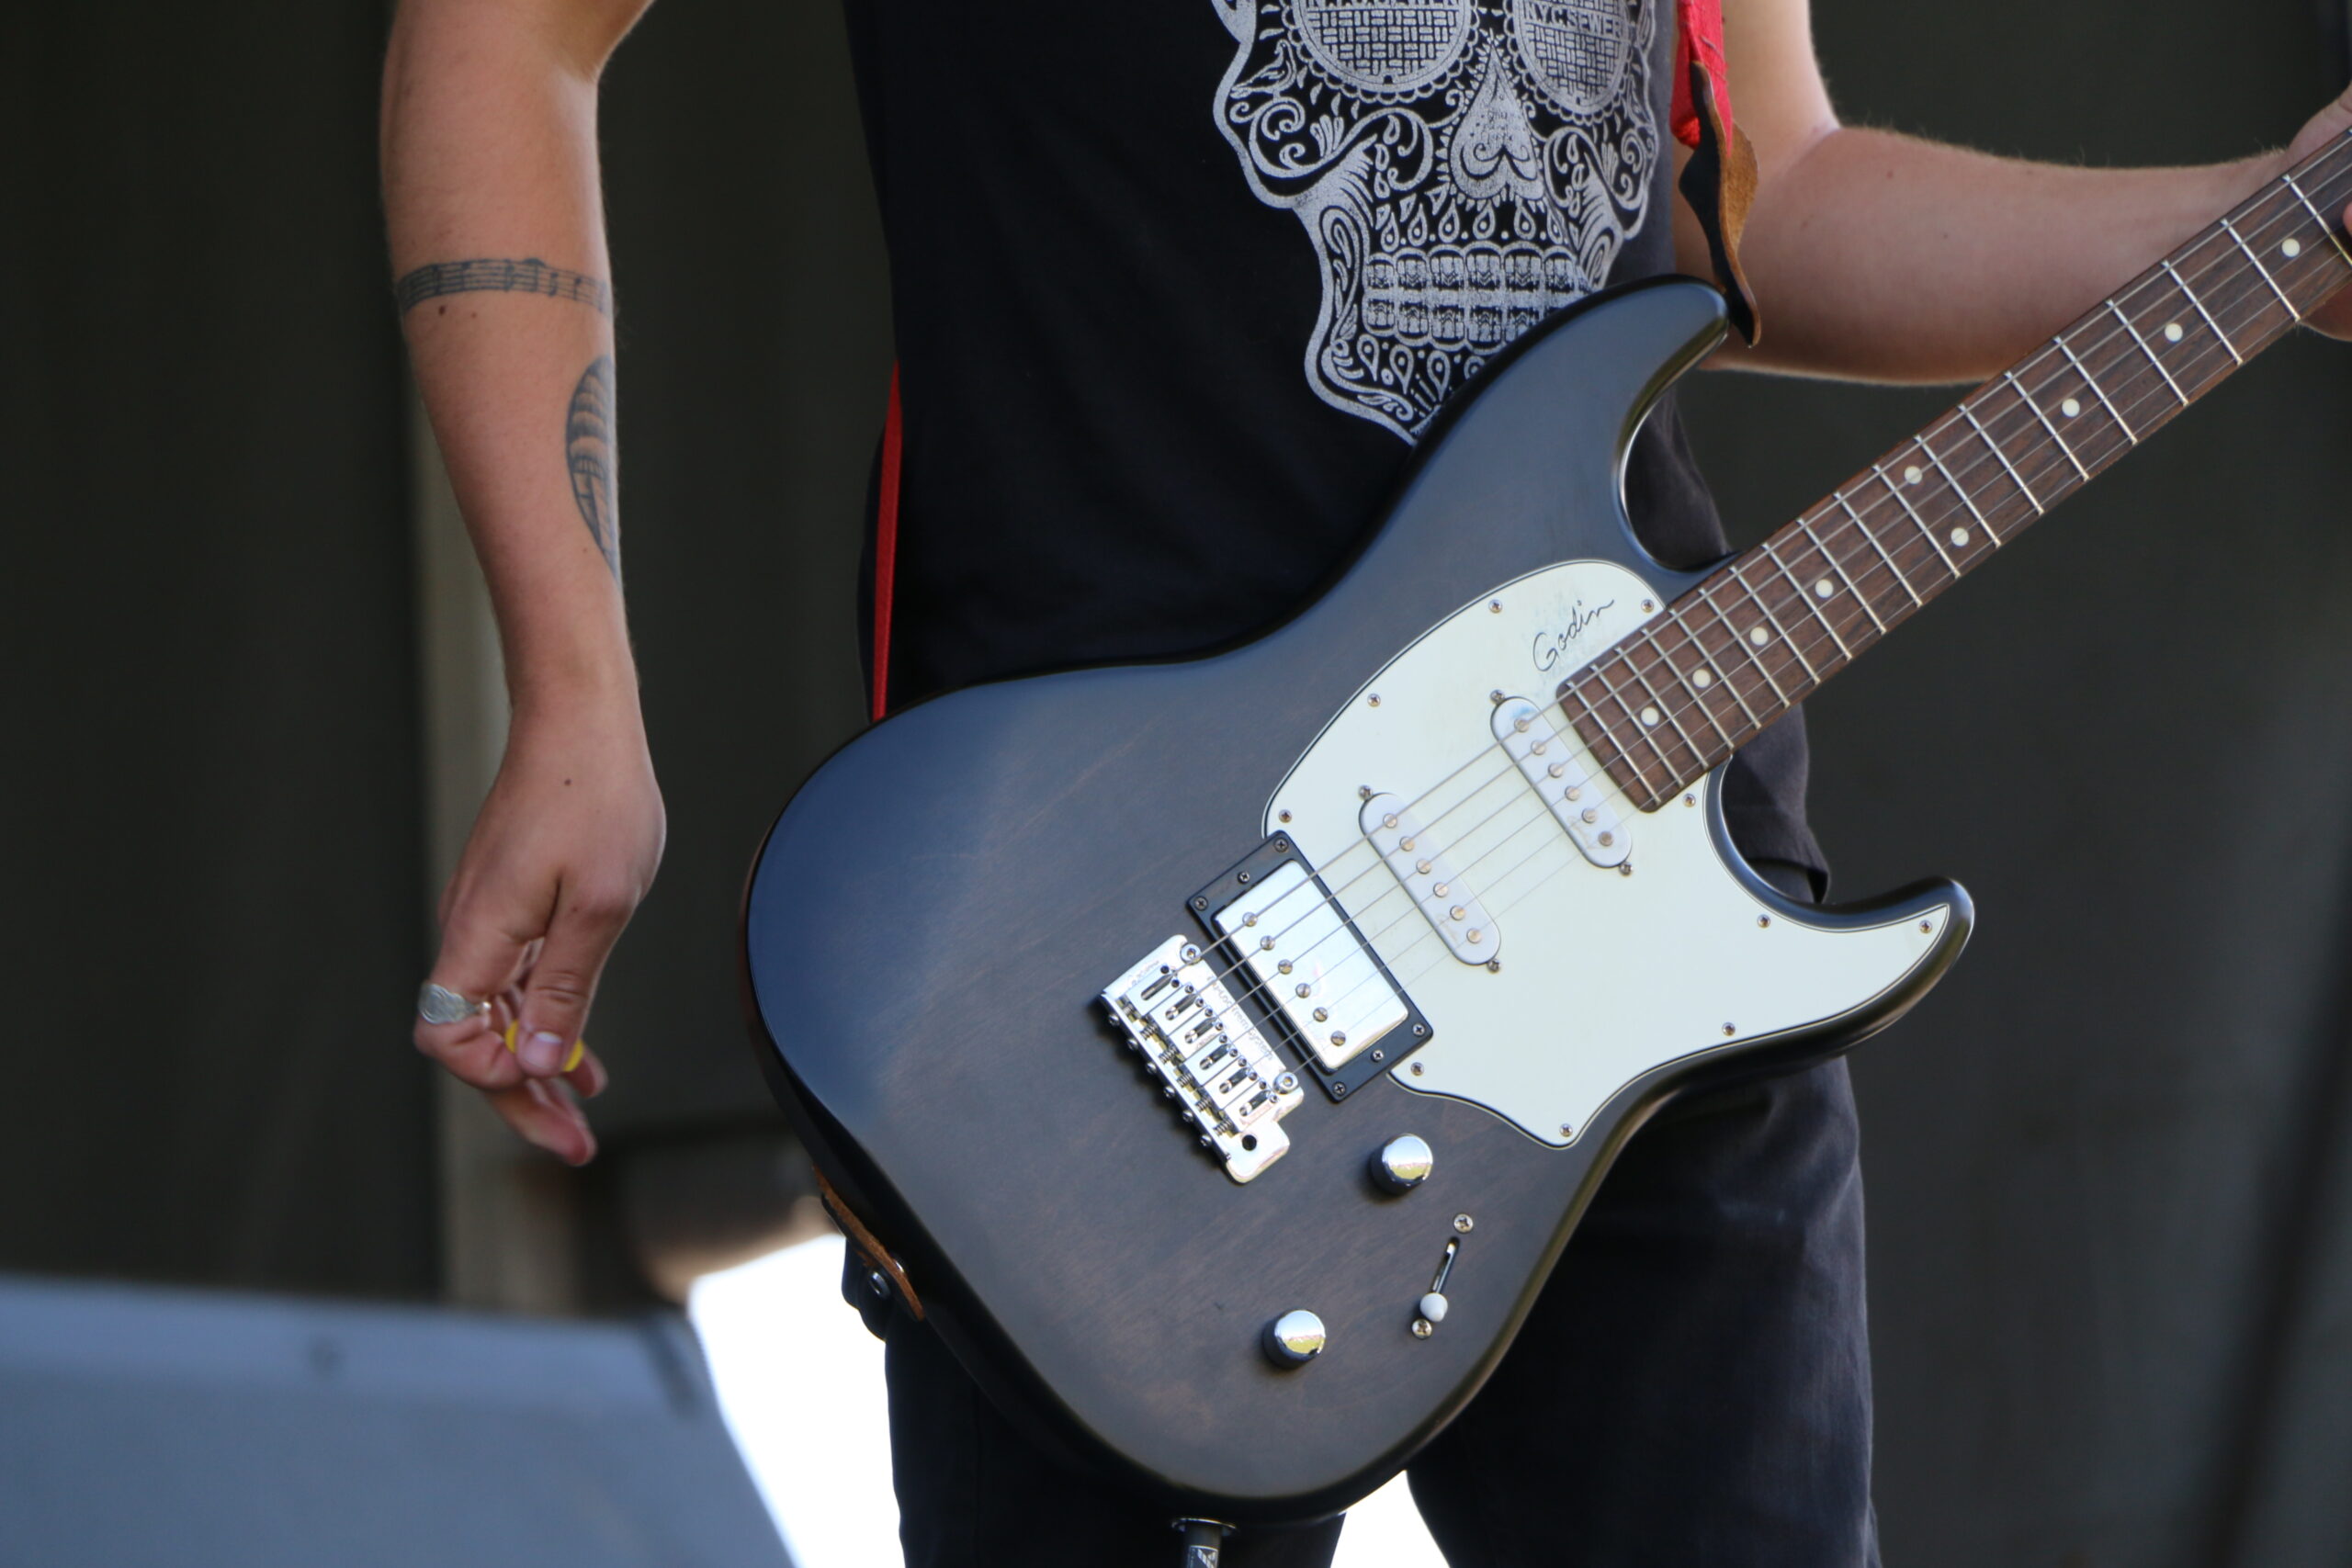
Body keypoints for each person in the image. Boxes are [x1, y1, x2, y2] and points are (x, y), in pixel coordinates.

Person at [386, 1, 2352, 1562]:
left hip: (1640, 903)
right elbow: (505, 31)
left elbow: (1755, 198)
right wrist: (571, 690)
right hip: (1093, 947)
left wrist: (2277, 223)